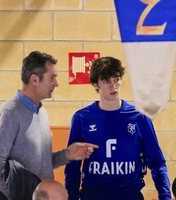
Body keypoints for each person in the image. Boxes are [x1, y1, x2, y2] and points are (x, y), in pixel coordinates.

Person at [0, 51, 98, 199]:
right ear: (34, 80)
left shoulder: (42, 112)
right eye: (52, 78)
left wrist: (67, 154)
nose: (56, 84)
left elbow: (40, 163)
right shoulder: (9, 112)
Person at [65, 56, 171, 200]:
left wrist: (165, 196)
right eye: (106, 81)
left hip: (129, 195)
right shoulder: (82, 118)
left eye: (116, 79)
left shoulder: (139, 117)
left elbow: (157, 163)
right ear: (96, 84)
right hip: (93, 195)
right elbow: (72, 167)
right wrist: (71, 197)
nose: (113, 85)